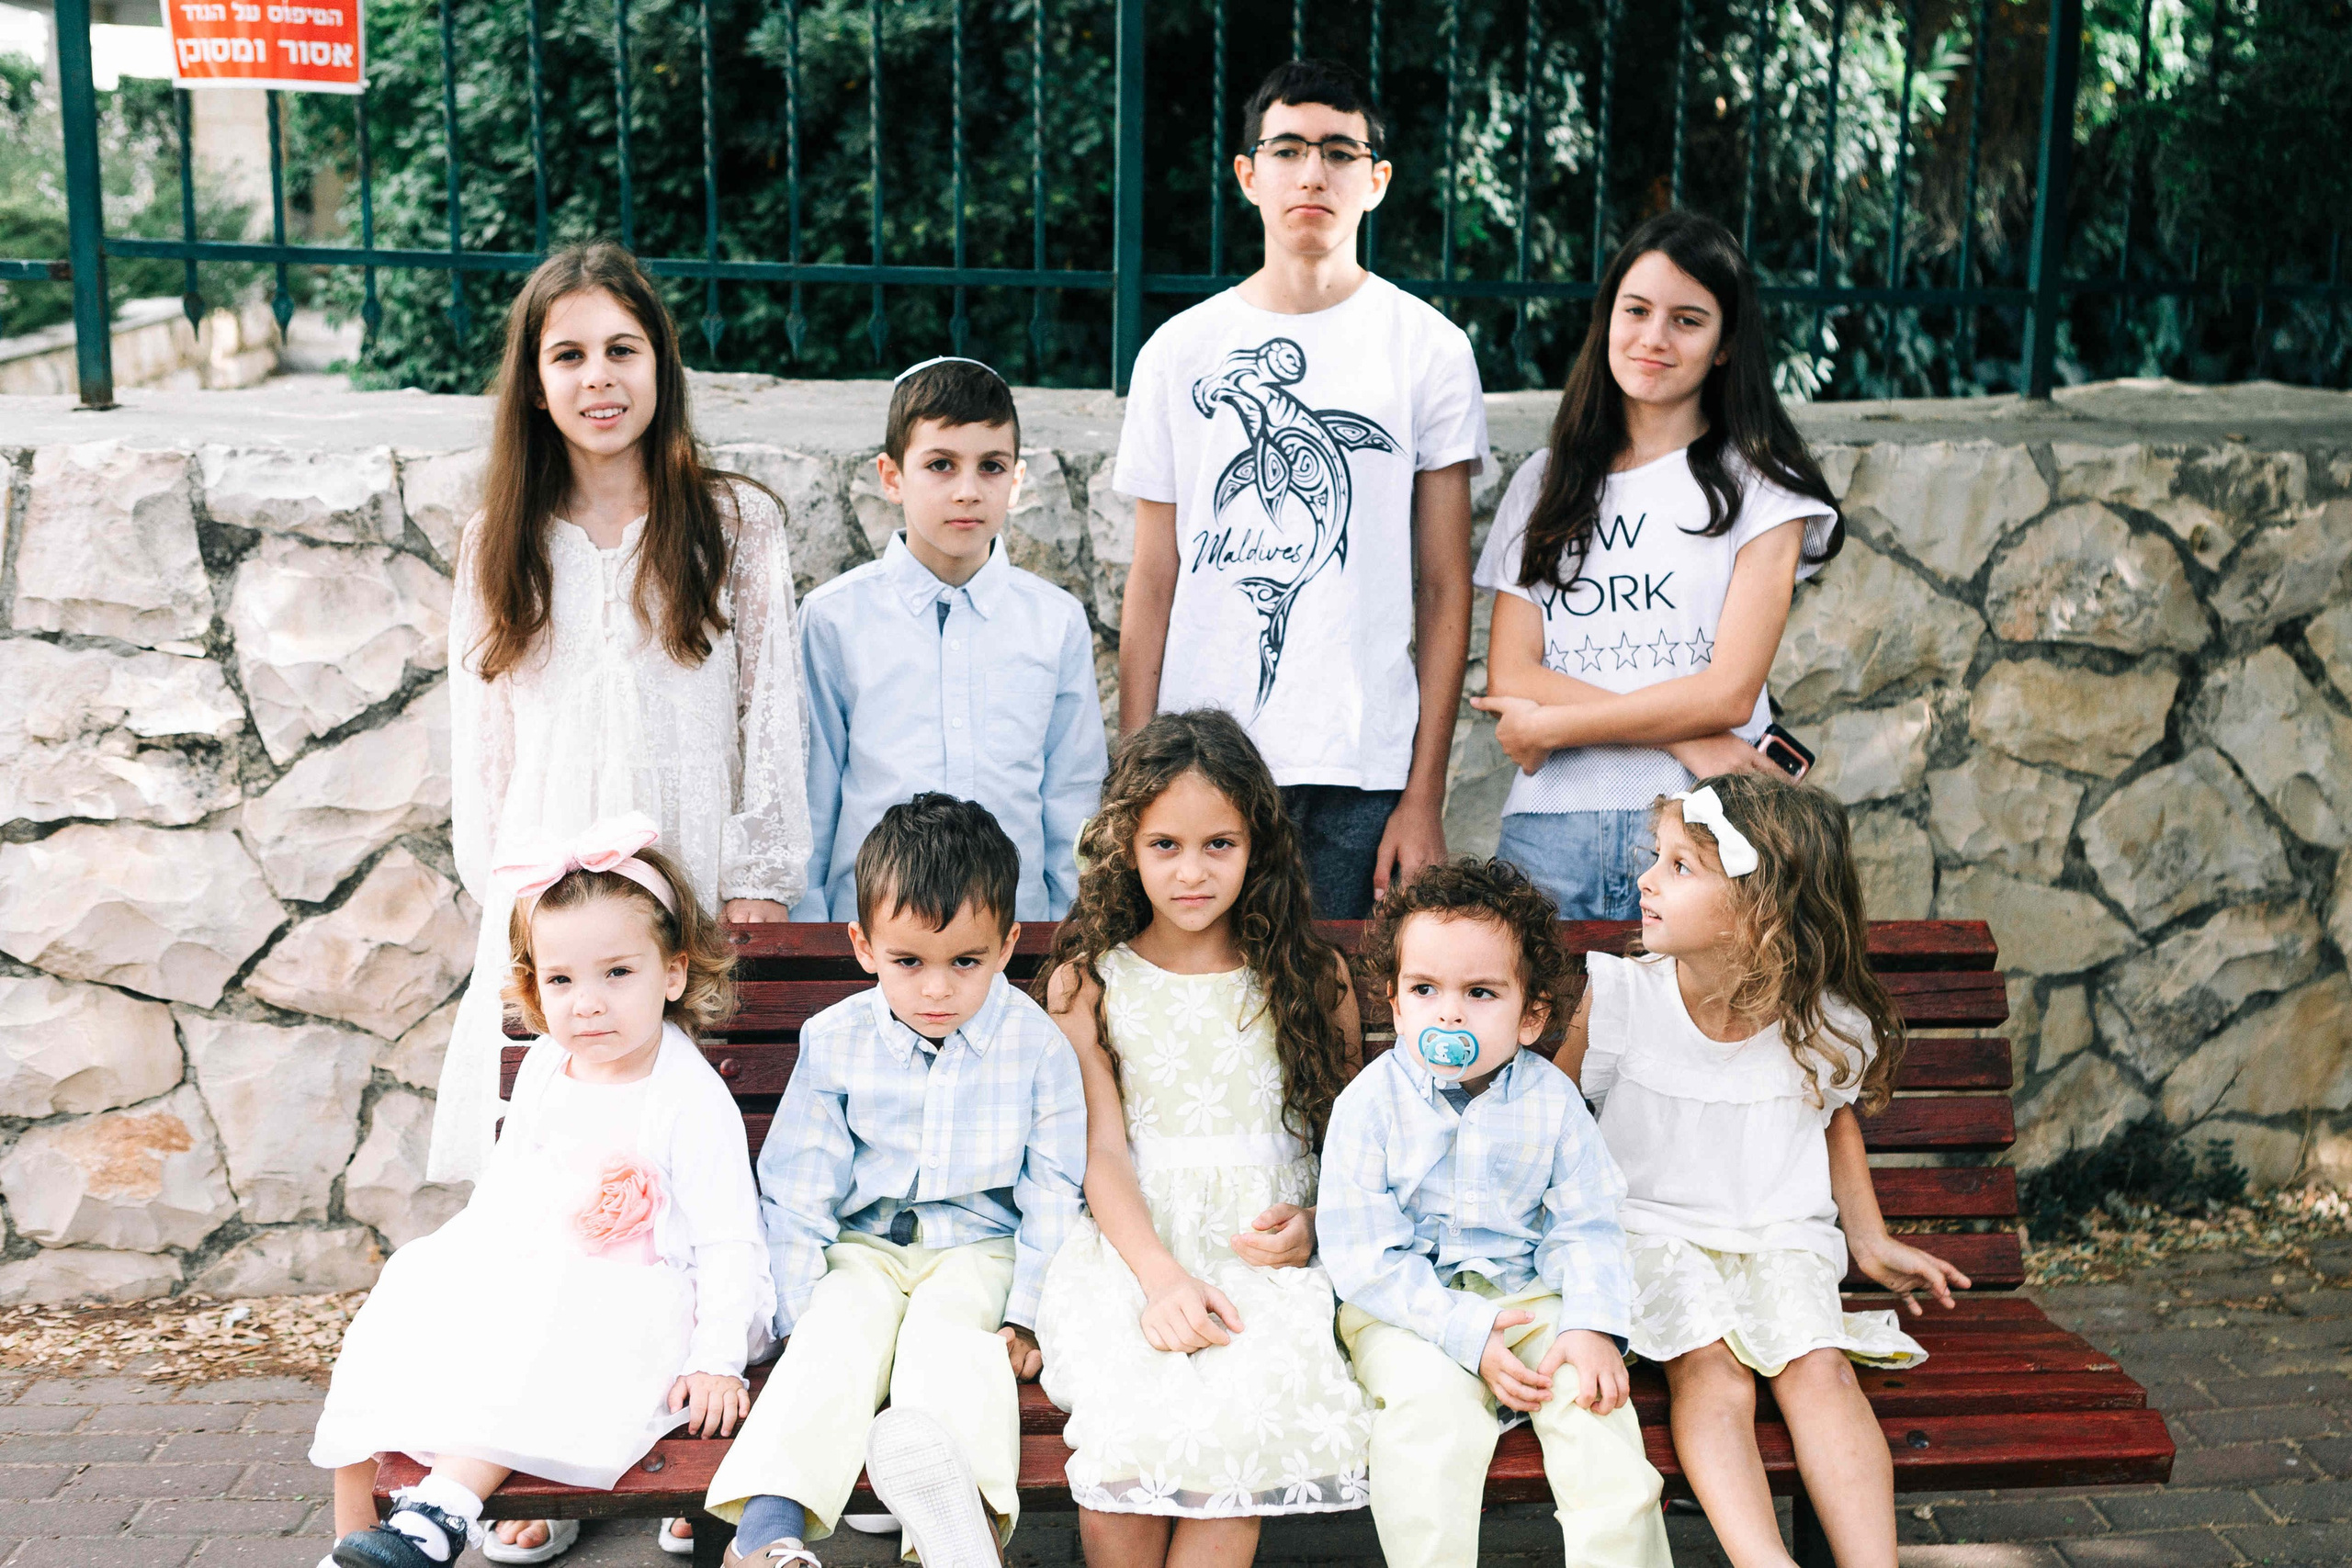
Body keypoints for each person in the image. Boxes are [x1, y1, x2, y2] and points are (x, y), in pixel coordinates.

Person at [312, 818, 771, 1568]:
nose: (586, 1002)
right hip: (555, 1268)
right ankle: (353, 1532)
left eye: (617, 973)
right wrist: (473, 1266)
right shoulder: (547, 1066)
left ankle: (438, 1515)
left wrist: (718, 1357)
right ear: (535, 985)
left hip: (666, 1299)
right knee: (413, 1283)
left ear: (674, 973)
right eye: (561, 979)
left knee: (557, 1309)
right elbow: (511, 1190)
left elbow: (728, 1240)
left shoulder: (685, 1093)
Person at [1562, 773, 1971, 1568]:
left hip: (1779, 1233)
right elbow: (1551, 1117)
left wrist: (1870, 1237)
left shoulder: (1822, 1021)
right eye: (1659, 857)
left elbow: (1833, 1116)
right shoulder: (1620, 999)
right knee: (1709, 1368)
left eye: (1681, 866)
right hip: (1652, 1232)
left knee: (1819, 1367)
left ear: (1760, 907)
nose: (1646, 879)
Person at [1114, 58, 1485, 919]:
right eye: (1287, 149)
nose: (1312, 173)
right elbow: (1153, 576)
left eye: (1339, 151)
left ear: (1376, 179)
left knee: (1338, 1032)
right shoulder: (1179, 350)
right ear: (1248, 175)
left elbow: (1443, 585)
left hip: (1361, 770)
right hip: (1198, 766)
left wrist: (1422, 795)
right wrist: (1132, 780)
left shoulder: (1428, 349)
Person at [704, 794, 1089, 1568]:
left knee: (954, 1347)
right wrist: (794, 1299)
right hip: (864, 1244)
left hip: (980, 1248)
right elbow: (799, 1183)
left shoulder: (1038, 1048)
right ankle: (766, 1537)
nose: (937, 989)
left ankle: (962, 1534)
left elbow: (1053, 1188)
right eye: (909, 961)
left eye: (965, 962)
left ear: (1008, 944)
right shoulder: (836, 1040)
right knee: (834, 1335)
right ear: (864, 944)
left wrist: (1029, 1313)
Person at [1033, 708, 1374, 1568]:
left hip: (1267, 1259)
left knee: (1235, 1430)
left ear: (1258, 844)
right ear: (1126, 848)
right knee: (1130, 1426)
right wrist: (1160, 1279)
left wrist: (1314, 1218)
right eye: (1165, 846)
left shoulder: (1311, 977)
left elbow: (1351, 1146)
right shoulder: (1089, 983)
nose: (1192, 872)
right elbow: (1101, 1153)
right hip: (1133, 1247)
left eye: (1219, 844)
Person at [1469, 209, 1841, 919]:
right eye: (1635, 310)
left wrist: (1550, 726)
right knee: (1546, 1031)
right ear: (1608, 316)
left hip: (1706, 827)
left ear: (1725, 344)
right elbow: (1513, 674)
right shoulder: (1545, 483)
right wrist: (1690, 736)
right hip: (1551, 832)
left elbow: (1730, 693)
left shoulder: (1766, 484)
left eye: (1687, 320)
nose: (1653, 338)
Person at [1318, 858, 1671, 1568]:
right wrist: (1464, 1333)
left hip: (1531, 1295)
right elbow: (1363, 1255)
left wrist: (1590, 1324)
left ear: (1531, 1014)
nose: (1448, 1012)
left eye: (1480, 992)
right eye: (1425, 989)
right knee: (1428, 1421)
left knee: (1595, 1406)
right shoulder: (1368, 1105)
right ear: (1395, 1001)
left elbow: (1587, 1221)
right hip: (1408, 1305)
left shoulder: (1553, 1102)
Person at [796, 356, 1108, 921]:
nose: (967, 490)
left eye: (991, 467)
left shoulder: (1055, 622)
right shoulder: (834, 619)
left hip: (1018, 932)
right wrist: (811, 936)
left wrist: (1074, 934)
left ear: (1015, 482)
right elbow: (813, 798)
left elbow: (1073, 796)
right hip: (870, 936)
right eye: (940, 465)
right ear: (892, 477)